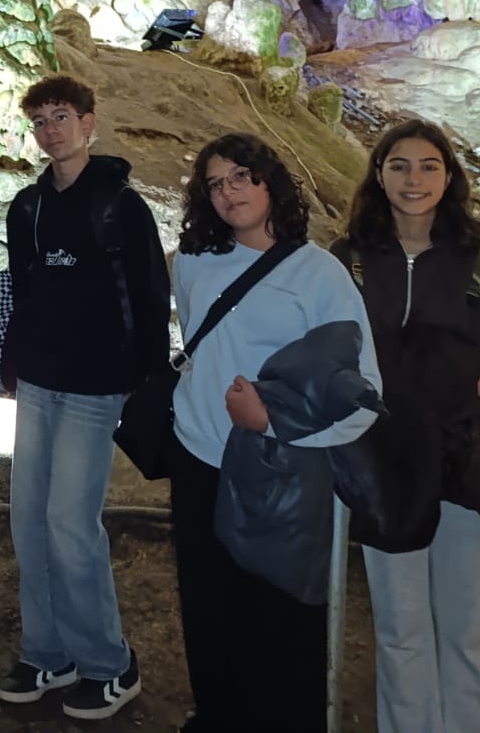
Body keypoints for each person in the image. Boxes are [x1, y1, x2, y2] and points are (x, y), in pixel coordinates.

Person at [333, 119, 480, 733]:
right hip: (386, 467)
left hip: (467, 465)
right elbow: (351, 371)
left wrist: (402, 371)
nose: (414, 179)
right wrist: (455, 377)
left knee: (469, 633)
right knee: (400, 632)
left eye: (429, 165)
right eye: (399, 165)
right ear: (378, 175)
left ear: (449, 177)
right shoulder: (348, 260)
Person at [169, 132, 380, 733]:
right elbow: (198, 348)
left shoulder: (320, 275)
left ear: (271, 182)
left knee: (279, 620)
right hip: (199, 461)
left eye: (241, 176)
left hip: (278, 474)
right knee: (207, 611)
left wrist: (273, 422)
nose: (228, 191)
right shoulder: (193, 263)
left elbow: (363, 394)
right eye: (215, 183)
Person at [0, 74, 168, 723]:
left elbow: (150, 294)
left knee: (70, 523)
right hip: (40, 382)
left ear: (89, 123)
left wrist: (144, 375)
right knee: (28, 521)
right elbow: (24, 291)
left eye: (61, 116)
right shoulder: (26, 208)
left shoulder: (121, 206)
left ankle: (108, 663)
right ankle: (47, 653)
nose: (51, 131)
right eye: (40, 121)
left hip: (96, 386)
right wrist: (15, 361)